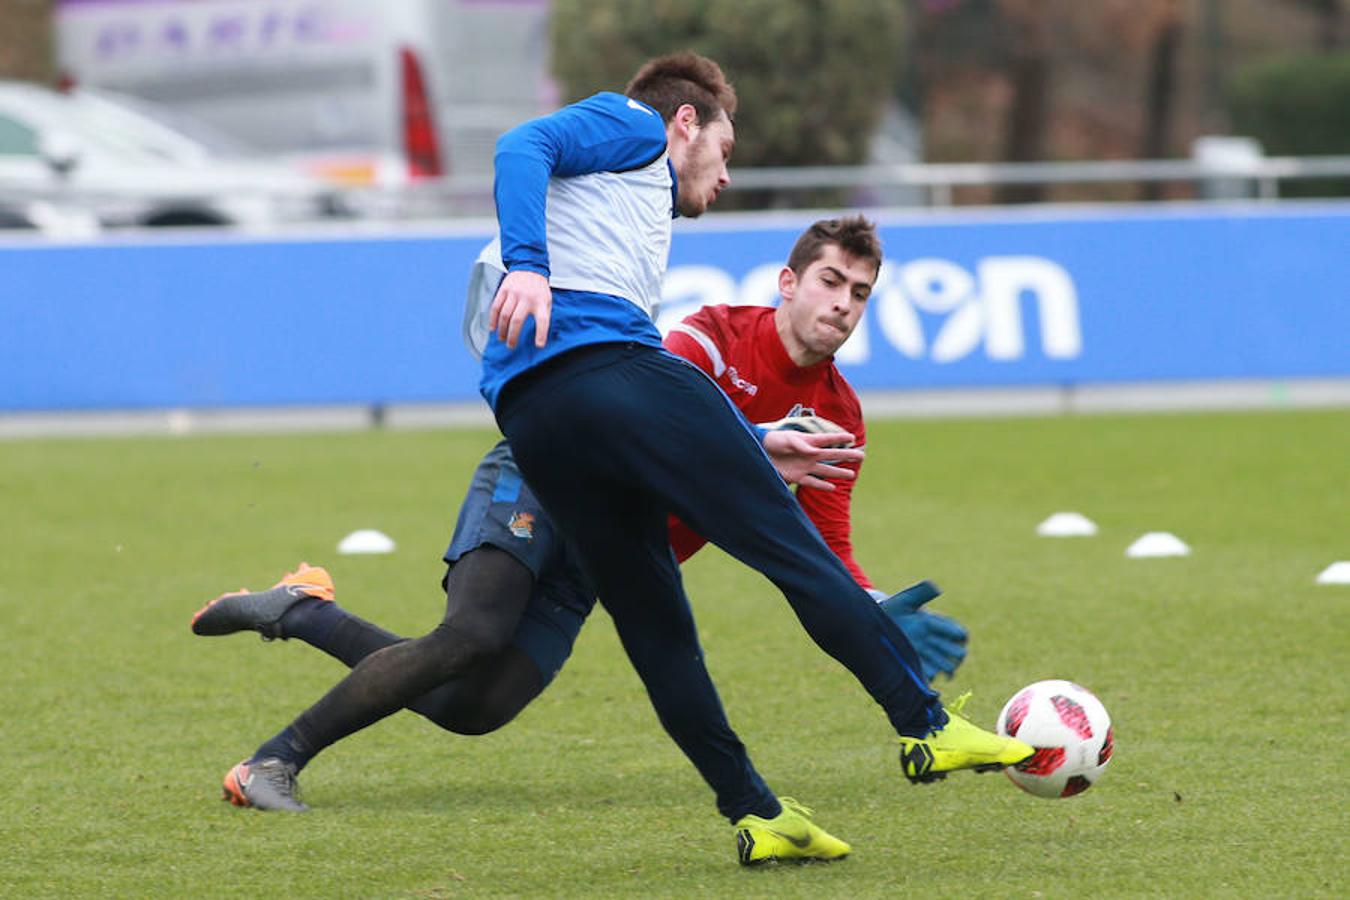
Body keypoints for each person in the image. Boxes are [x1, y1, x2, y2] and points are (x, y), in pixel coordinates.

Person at [197, 53, 1030, 864]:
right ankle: (925, 724)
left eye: (860, 294)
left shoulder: (620, 214)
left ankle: (755, 810)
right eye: (726, 151)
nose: (727, 176)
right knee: (764, 552)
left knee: (593, 654)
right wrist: (528, 267)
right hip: (587, 390)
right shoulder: (635, 129)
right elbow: (520, 147)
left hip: (552, 423)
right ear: (686, 123)